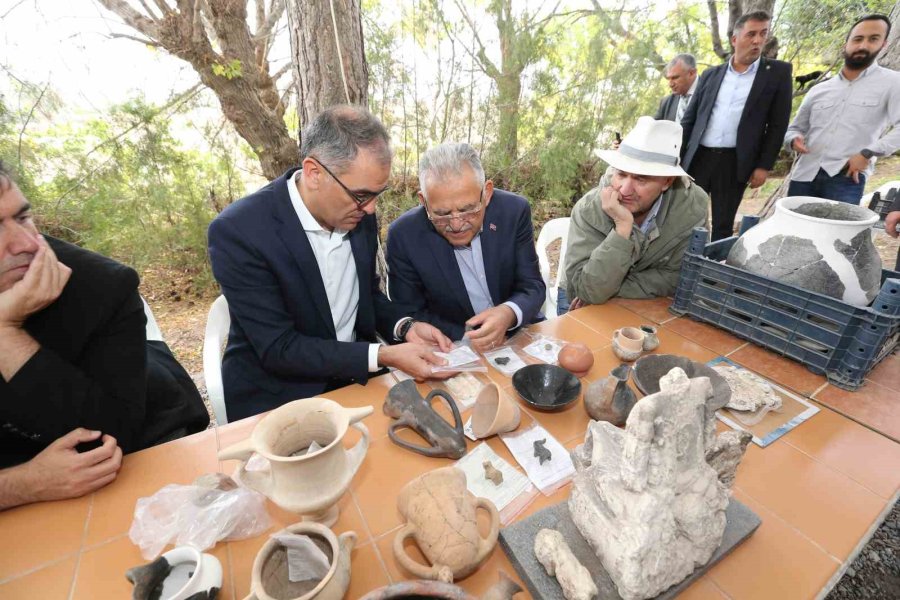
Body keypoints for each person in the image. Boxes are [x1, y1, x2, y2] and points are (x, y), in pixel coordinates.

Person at [207, 105, 454, 421]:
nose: (370, 209)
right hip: (281, 397)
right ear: (314, 173)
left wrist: (405, 327)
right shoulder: (240, 232)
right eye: (362, 195)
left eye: (378, 194)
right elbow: (279, 348)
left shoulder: (355, 212)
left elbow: (367, 297)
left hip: (354, 380)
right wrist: (383, 354)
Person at [0, 162, 207, 510]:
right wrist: (25, 484)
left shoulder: (102, 286)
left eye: (22, 218)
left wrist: (6, 334)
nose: (25, 244)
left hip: (143, 442)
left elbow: (110, 438)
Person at [386, 143, 545, 351]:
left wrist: (509, 312)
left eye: (468, 210)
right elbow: (410, 312)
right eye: (442, 213)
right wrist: (469, 337)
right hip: (454, 344)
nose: (456, 224)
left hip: (522, 332)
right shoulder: (404, 235)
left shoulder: (513, 212)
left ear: (486, 193)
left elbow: (532, 285)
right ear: (424, 202)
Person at [559, 117, 708, 312]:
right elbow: (586, 290)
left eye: (641, 179)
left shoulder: (692, 207)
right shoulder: (589, 209)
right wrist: (622, 228)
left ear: (667, 182)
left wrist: (612, 287)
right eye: (621, 174)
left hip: (649, 303)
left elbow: (682, 276)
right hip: (578, 304)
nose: (625, 189)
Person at [680, 10, 793, 241]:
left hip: (735, 162)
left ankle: (713, 272)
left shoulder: (777, 74)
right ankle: (682, 265)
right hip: (699, 157)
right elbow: (690, 120)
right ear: (734, 39)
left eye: (763, 34)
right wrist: (676, 157)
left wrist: (763, 166)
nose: (758, 40)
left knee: (723, 223)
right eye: (751, 34)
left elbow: (778, 124)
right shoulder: (711, 74)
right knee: (687, 216)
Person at [784, 14, 900, 204]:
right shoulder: (820, 88)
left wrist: (867, 153)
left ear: (884, 44)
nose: (863, 45)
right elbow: (794, 128)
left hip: (846, 177)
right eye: (858, 39)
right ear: (845, 44)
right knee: (793, 232)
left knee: (835, 233)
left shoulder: (893, 82)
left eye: (873, 39)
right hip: (804, 176)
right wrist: (793, 140)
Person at [655, 54, 699, 124]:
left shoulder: (710, 92)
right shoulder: (666, 103)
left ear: (691, 73)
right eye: (669, 79)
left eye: (675, 78)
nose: (670, 84)